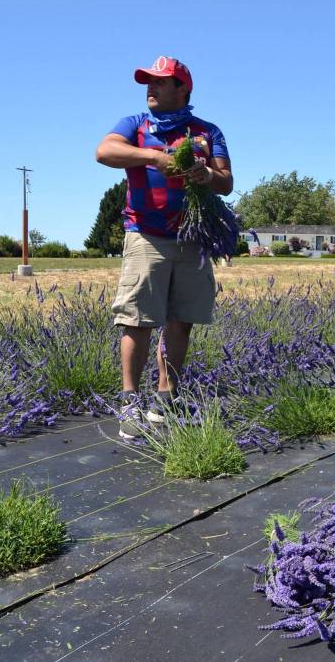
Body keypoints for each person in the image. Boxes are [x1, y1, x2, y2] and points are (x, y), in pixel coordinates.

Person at [95, 55, 234, 442]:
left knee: (181, 321)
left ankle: (165, 401)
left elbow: (225, 182)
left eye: (159, 82)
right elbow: (105, 151)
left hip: (193, 240)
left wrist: (204, 174)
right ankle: (129, 403)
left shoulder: (207, 132)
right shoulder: (137, 125)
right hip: (146, 236)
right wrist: (156, 157)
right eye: (147, 82)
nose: (150, 89)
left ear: (182, 88)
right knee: (137, 320)